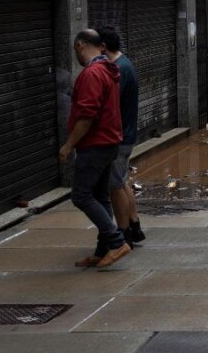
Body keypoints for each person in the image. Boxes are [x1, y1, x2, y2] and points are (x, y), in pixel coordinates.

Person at [59, 29, 131, 269]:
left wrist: (69, 144)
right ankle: (102, 251)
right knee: (100, 196)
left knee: (80, 195)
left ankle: (115, 241)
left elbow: (86, 116)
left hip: (95, 144)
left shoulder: (91, 73)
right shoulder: (109, 69)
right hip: (110, 142)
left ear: (80, 45)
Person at [98, 28, 146, 246]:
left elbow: (110, 106)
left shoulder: (118, 70)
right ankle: (134, 226)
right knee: (122, 181)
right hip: (126, 135)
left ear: (103, 47)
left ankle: (123, 232)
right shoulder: (124, 65)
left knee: (114, 186)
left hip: (119, 138)